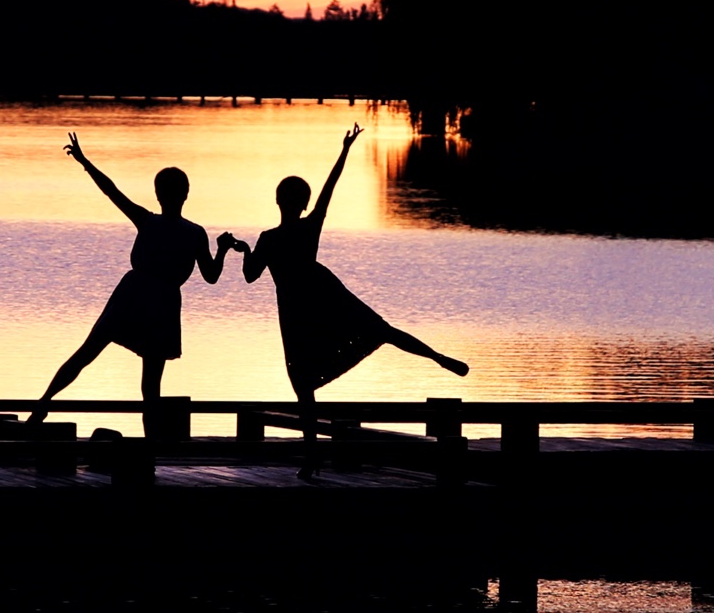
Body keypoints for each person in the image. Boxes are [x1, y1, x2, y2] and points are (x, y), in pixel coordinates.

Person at [227, 125, 465, 474]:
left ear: (279, 201)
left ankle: (311, 460)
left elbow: (249, 275)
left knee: (305, 389)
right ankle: (437, 357)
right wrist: (344, 150)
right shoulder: (307, 228)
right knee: (380, 330)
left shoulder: (270, 238)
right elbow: (330, 188)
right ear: (301, 204)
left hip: (300, 312)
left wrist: (244, 249)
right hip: (321, 299)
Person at [33, 136, 226, 419]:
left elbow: (112, 192)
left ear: (159, 196)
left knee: (88, 352)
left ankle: (43, 404)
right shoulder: (193, 232)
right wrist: (221, 251)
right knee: (150, 384)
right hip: (157, 302)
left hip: (136, 296)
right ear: (186, 194)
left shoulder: (151, 221)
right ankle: (148, 445)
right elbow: (211, 276)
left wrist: (86, 163)